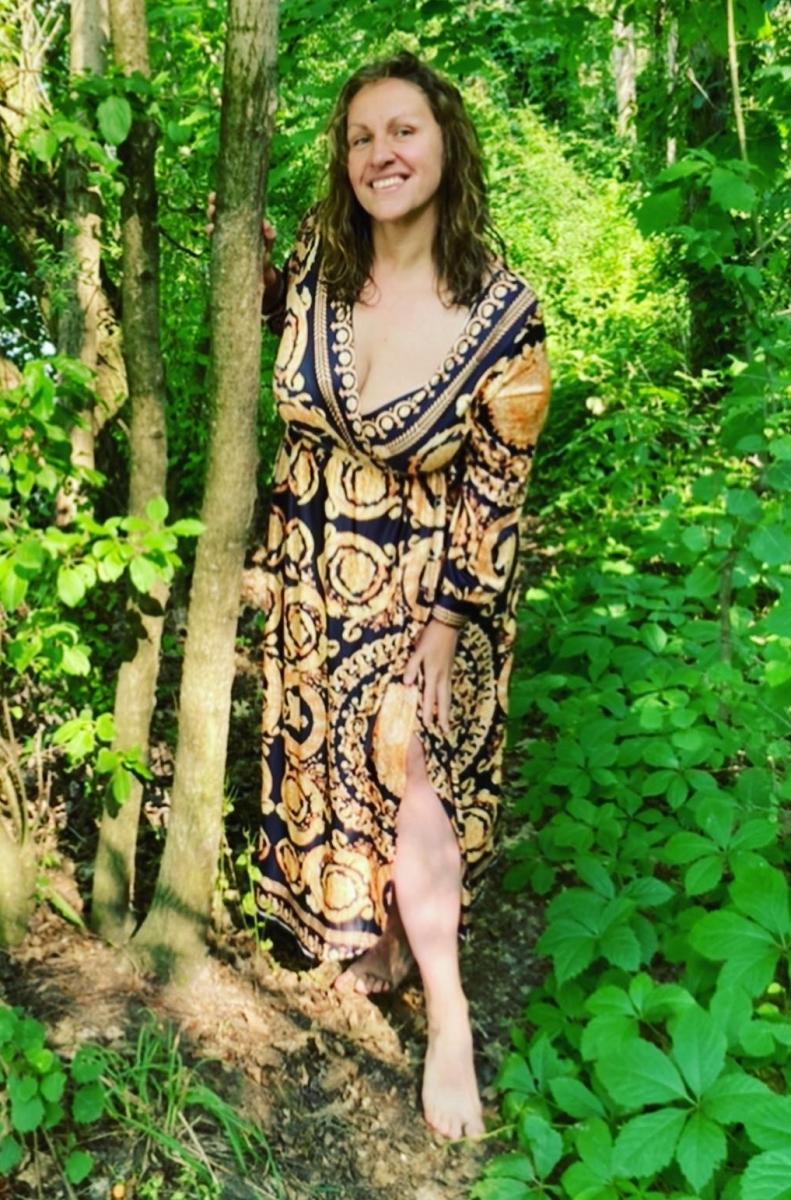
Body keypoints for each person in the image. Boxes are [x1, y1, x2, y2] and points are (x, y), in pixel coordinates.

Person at [252, 51, 551, 1139]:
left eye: (403, 130)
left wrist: (449, 622)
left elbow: (498, 491)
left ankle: (449, 1014)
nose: (380, 153)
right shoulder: (314, 260)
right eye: (360, 136)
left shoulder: (505, 316)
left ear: (445, 145)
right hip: (308, 572)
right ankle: (378, 934)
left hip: (426, 586)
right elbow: (275, 337)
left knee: (413, 771)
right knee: (340, 766)